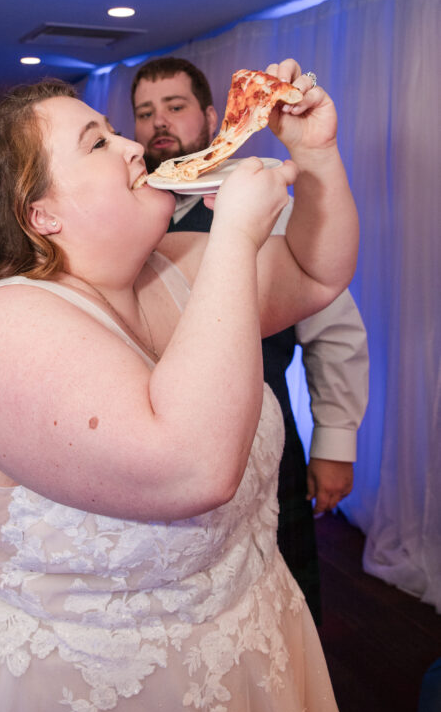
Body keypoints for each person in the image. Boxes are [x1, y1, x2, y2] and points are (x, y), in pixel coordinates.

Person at [0, 59, 357, 712]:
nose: (133, 146)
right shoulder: (5, 326)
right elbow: (192, 469)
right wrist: (232, 235)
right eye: (98, 143)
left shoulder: (169, 265)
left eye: (114, 132)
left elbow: (314, 272)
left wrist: (315, 155)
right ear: (41, 213)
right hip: (80, 680)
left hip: (243, 643)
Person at [131, 55, 368, 622]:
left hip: (264, 438)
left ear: (212, 116)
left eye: (175, 106)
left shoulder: (264, 200)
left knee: (277, 602)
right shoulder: (131, 213)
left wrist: (335, 441)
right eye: (144, 112)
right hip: (159, 460)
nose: (159, 122)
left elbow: (332, 324)